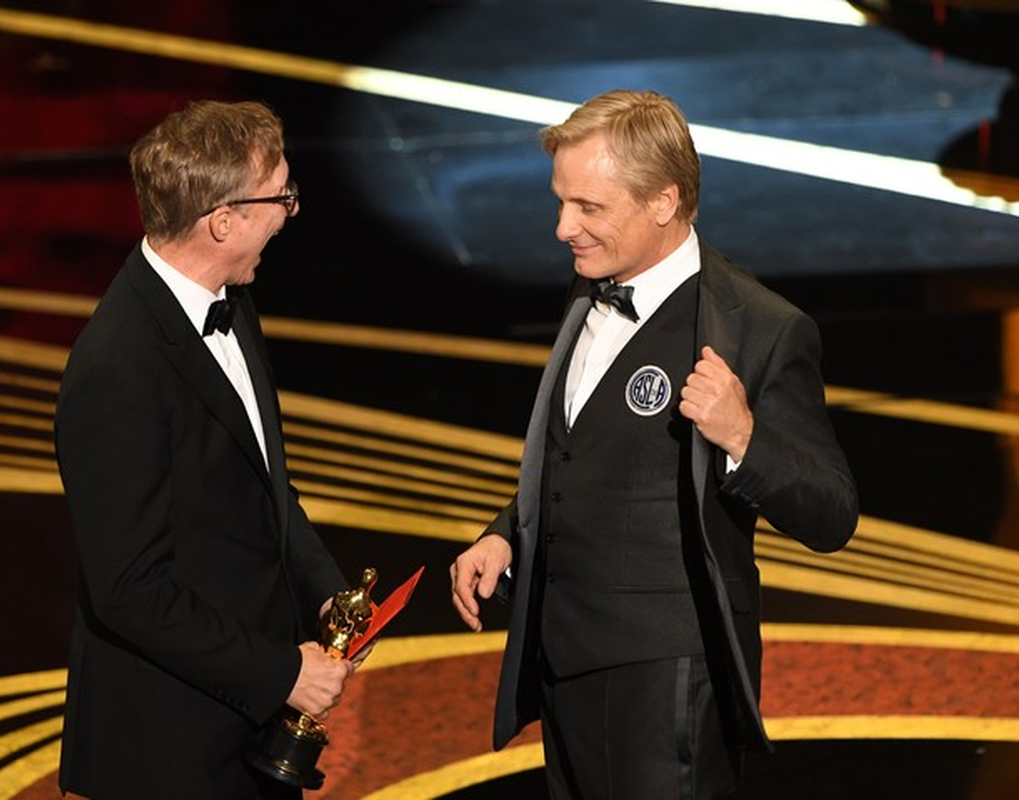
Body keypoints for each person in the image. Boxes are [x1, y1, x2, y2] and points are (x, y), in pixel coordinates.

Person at [450, 90, 858, 799]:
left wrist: (742, 437)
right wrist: (507, 535)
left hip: (665, 676)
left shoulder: (760, 327)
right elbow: (584, 454)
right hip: (561, 662)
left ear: (663, 202)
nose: (562, 228)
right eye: (561, 202)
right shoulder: (589, 288)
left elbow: (832, 513)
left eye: (587, 207)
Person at [55, 99, 355, 799]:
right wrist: (283, 673)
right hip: (170, 745)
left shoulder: (229, 298)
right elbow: (129, 590)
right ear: (225, 220)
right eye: (281, 195)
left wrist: (326, 593)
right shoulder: (116, 368)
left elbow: (262, 481)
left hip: (246, 719)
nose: (291, 211)